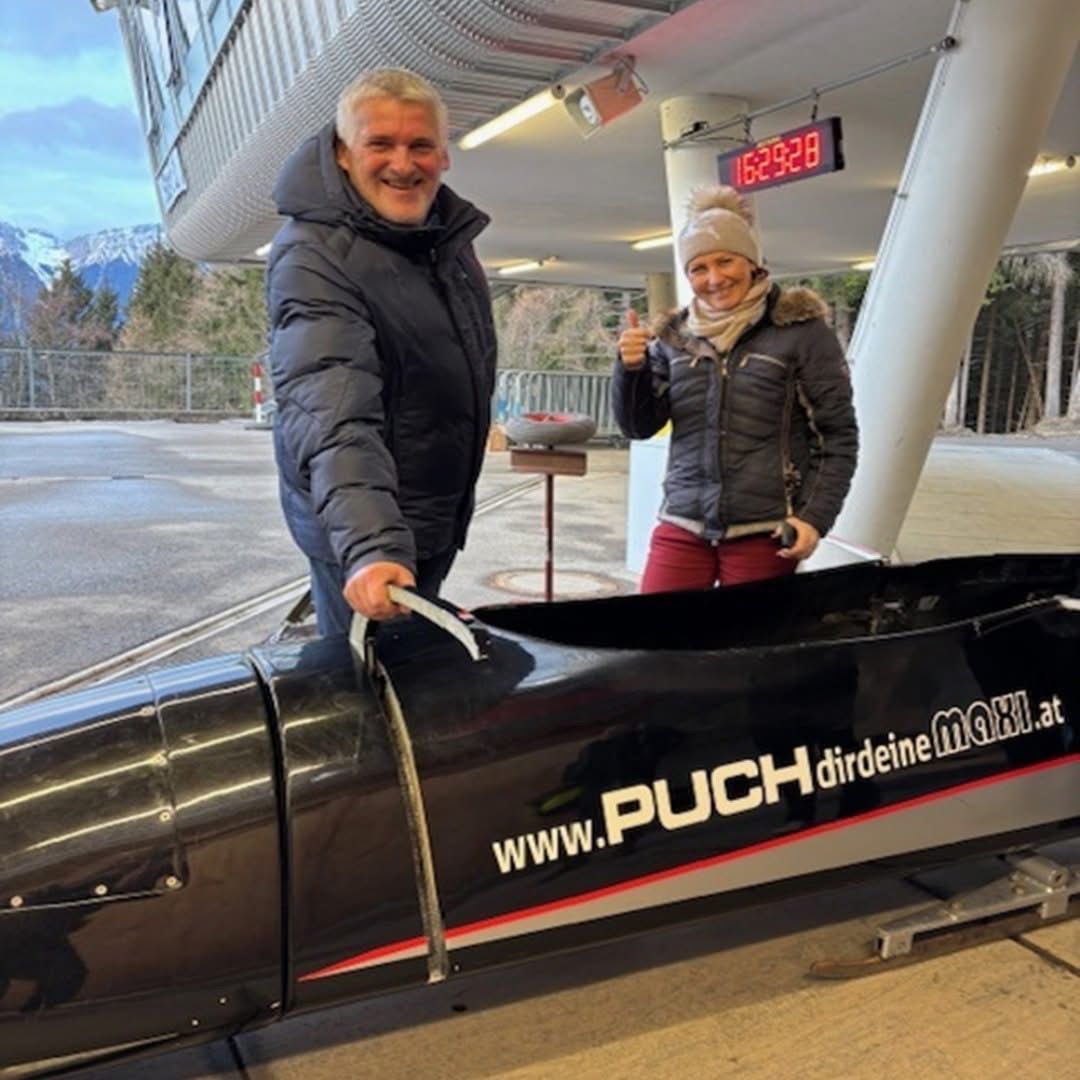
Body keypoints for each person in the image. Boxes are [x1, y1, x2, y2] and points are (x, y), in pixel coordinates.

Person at [266, 68, 496, 632]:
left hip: (429, 519)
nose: (402, 163)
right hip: (368, 535)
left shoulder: (445, 244)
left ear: (444, 156)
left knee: (412, 677)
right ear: (343, 154)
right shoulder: (314, 255)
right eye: (380, 144)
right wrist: (372, 544)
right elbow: (332, 411)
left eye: (420, 145)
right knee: (363, 695)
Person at [614, 185, 857, 592]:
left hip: (764, 532)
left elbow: (837, 438)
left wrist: (814, 518)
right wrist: (630, 369)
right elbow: (638, 426)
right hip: (683, 522)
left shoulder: (801, 333)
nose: (714, 279)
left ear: (751, 262)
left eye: (725, 261)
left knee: (744, 650)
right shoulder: (673, 338)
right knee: (653, 640)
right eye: (698, 268)